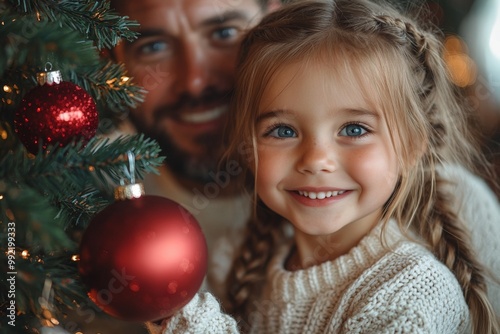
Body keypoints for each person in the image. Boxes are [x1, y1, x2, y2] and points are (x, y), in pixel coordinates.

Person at [145, 0, 500, 333]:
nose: (315, 159)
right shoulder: (233, 261)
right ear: (247, 148)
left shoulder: (415, 294)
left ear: (411, 146)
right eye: (282, 131)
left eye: (354, 129)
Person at [108, 0, 281, 301]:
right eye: (153, 47)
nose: (195, 81)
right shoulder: (72, 199)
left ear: (278, 21)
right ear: (111, 60)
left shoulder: (363, 195)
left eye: (225, 33)